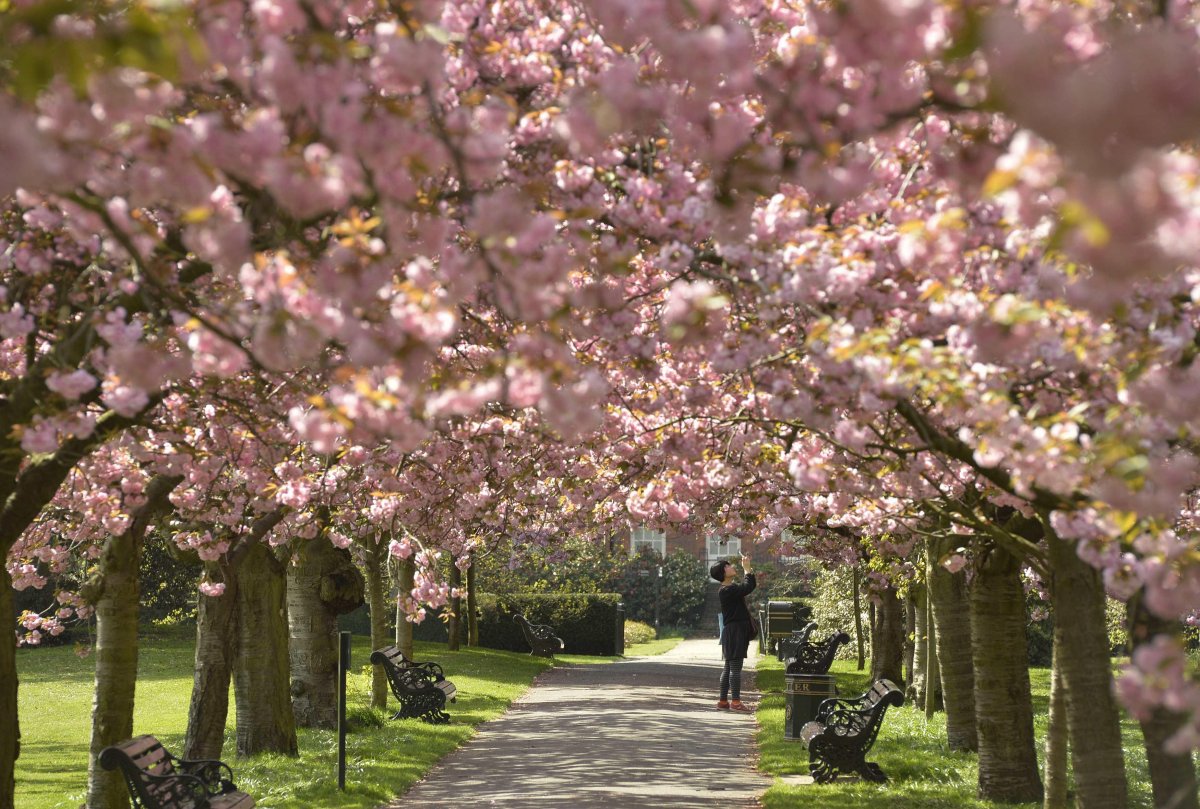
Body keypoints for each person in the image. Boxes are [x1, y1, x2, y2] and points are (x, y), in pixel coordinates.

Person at [710, 552, 756, 711]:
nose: (731, 567)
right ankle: (735, 702)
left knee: (728, 668)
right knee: (735, 668)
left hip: (732, 631)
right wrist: (747, 569)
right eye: (728, 566)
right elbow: (749, 587)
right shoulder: (727, 590)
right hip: (735, 632)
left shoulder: (729, 589)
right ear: (723, 573)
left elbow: (744, 588)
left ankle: (723, 702)